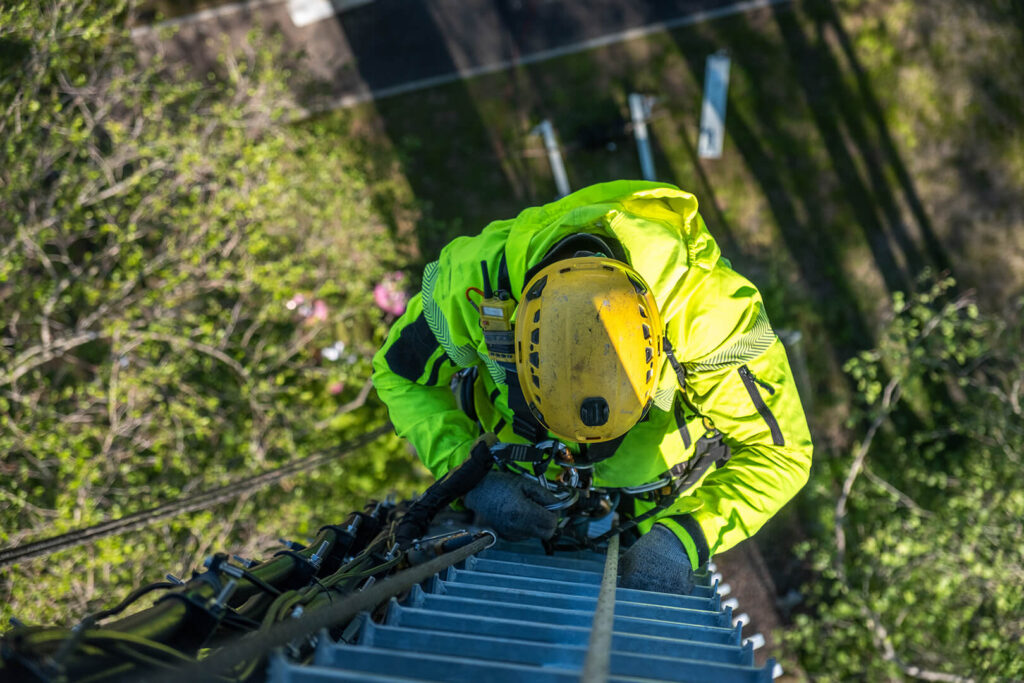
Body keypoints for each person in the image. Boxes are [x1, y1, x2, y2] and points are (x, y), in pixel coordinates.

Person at [372, 180, 813, 594]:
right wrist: (470, 474)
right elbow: (399, 376)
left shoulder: (709, 317)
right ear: (516, 334)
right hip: (517, 471)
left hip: (653, 489)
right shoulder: (471, 288)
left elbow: (781, 453)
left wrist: (686, 537)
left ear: (657, 345)